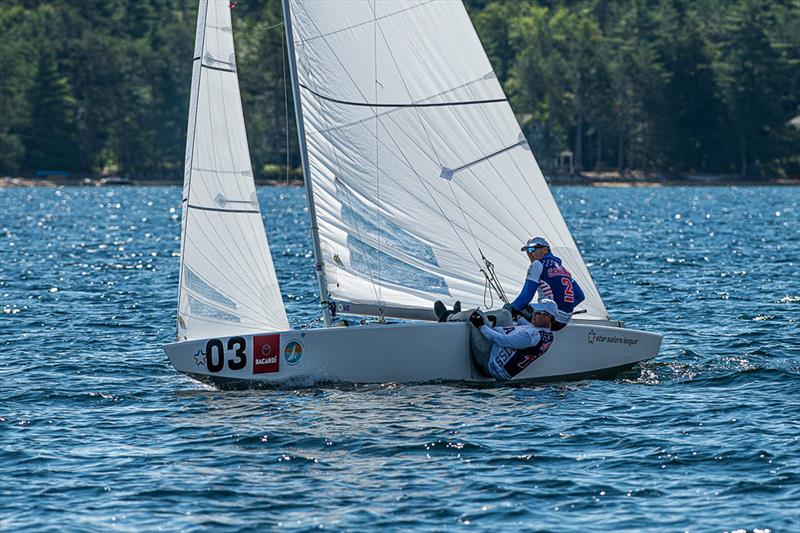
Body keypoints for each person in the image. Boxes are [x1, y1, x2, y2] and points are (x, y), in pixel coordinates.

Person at [504, 236, 585, 331]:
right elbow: (580, 296)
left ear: (545, 250)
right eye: (528, 250)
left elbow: (525, 298)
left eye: (533, 249)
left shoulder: (537, 265)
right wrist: (562, 311)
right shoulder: (563, 269)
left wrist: (508, 310)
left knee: (514, 311)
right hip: (564, 321)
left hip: (549, 319)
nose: (530, 253)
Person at [468, 299, 557, 382]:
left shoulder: (529, 337)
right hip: (496, 354)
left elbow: (502, 340)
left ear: (548, 317)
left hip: (489, 363)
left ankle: (456, 317)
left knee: (476, 314)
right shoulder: (547, 335)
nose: (533, 314)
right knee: (506, 313)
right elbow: (528, 325)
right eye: (533, 311)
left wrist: (481, 325)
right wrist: (516, 314)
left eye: (538, 312)